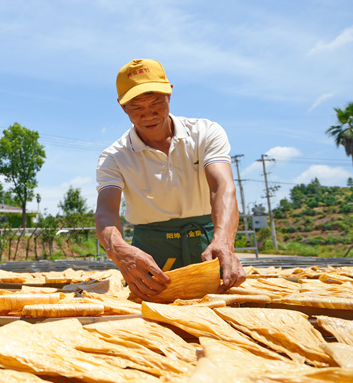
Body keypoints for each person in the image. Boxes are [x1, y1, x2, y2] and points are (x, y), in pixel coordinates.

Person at [94, 59, 245, 301]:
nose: (148, 115)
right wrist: (120, 251)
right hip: (151, 253)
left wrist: (224, 241)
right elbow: (106, 211)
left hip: (208, 245)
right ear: (122, 107)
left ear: (169, 94)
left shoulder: (205, 133)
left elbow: (222, 186)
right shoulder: (114, 156)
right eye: (136, 107)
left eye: (156, 103)